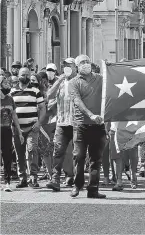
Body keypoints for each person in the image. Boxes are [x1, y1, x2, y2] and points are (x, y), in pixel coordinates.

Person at [68, 55, 106, 199]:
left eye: (87, 61)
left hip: (98, 125)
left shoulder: (100, 79)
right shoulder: (73, 82)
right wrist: (90, 115)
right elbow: (77, 100)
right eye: (82, 62)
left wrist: (110, 69)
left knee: (96, 158)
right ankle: (77, 185)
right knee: (79, 156)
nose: (85, 64)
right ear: (77, 66)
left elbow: (112, 88)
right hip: (81, 125)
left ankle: (93, 189)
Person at [11, 67, 47, 188]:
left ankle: (33, 178)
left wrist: (39, 123)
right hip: (17, 129)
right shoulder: (12, 91)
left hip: (32, 127)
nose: (25, 76)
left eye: (27, 74)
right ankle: (22, 178)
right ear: (18, 75)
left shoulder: (35, 91)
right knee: (19, 154)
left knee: (32, 151)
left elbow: (42, 109)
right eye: (23, 74)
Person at [46, 58, 77, 192]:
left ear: (75, 67)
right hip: (62, 123)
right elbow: (49, 95)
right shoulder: (60, 83)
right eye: (64, 65)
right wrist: (58, 80)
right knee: (58, 152)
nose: (67, 67)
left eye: (69, 65)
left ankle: (76, 178)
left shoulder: (79, 81)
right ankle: (55, 179)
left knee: (77, 153)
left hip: (77, 123)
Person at [1, 76, 24, 192]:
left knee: (7, 156)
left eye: (8, 82)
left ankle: (7, 182)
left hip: (7, 130)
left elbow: (14, 116)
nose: (7, 85)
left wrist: (19, 132)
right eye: (4, 83)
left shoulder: (10, 99)